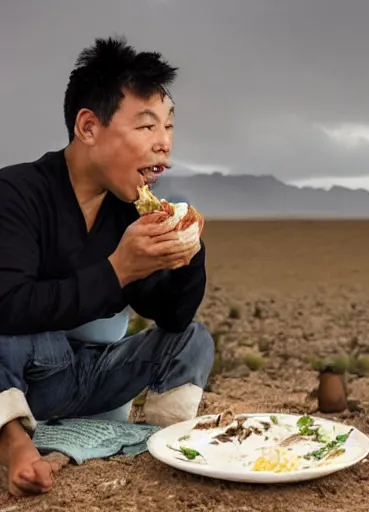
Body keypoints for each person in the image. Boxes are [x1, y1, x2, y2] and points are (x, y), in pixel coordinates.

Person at [0, 36, 215, 497]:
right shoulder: (15, 193)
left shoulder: (129, 210)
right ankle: (14, 443)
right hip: (26, 372)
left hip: (96, 378)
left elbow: (172, 317)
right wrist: (119, 269)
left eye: (169, 127)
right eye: (146, 126)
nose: (164, 146)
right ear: (88, 126)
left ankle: (166, 444)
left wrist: (186, 256)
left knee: (192, 338)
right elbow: (9, 306)